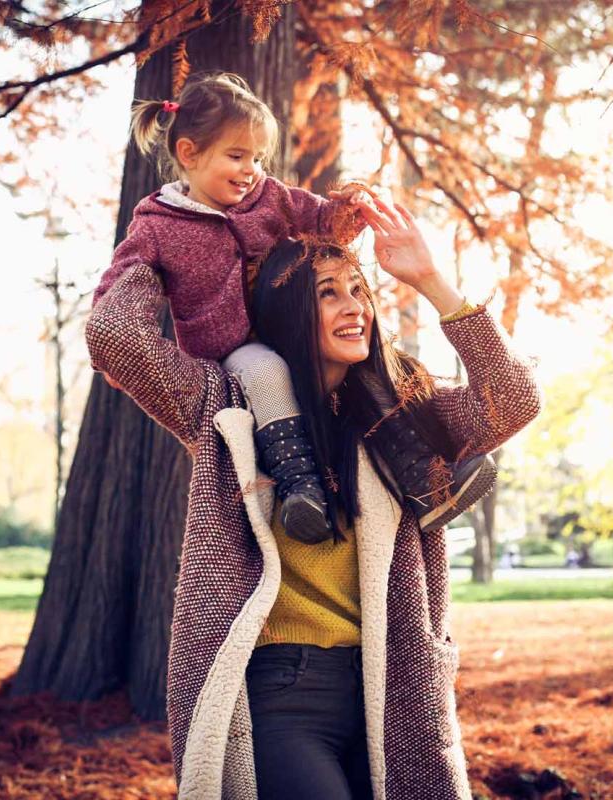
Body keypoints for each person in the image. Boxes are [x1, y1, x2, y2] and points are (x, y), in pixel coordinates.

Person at [86, 195, 542, 800]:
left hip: (396, 687)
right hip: (282, 693)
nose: (354, 309)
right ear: (288, 309)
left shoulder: (401, 417)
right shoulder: (227, 405)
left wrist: (430, 279)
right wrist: (157, 246)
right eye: (328, 293)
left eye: (359, 291)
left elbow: (513, 400)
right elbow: (114, 335)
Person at [92, 71, 496, 543]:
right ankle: (301, 489)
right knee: (264, 372)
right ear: (189, 153)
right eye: (236, 156)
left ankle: (427, 479)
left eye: (258, 157)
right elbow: (117, 287)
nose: (250, 170)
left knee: (365, 368)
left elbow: (322, 220)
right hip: (233, 349)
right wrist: (113, 331)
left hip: (290, 326)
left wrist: (350, 208)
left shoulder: (270, 197)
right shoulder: (159, 224)